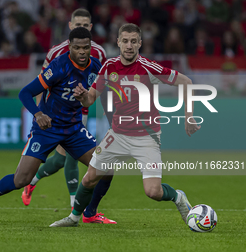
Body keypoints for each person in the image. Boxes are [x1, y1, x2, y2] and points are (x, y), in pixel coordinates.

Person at [50, 23, 200, 227]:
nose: (129, 46)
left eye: (133, 41)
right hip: (118, 135)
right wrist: (83, 97)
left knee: (153, 192)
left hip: (147, 136)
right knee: (89, 179)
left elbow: (186, 81)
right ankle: (74, 218)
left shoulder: (148, 67)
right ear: (118, 42)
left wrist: (188, 116)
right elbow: (90, 99)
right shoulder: (109, 66)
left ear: (140, 43)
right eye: (125, 41)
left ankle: (178, 197)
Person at [0, 27, 114, 224]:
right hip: (47, 129)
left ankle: (90, 213)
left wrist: (86, 98)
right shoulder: (59, 66)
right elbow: (25, 93)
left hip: (74, 129)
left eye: (86, 47)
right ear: (70, 47)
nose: (82, 52)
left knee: (106, 168)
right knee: (21, 179)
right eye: (77, 48)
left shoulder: (96, 67)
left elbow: (90, 100)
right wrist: (38, 113)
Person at [21, 8, 116, 224]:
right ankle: (78, 208)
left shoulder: (98, 53)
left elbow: (100, 83)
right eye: (77, 24)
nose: (81, 27)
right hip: (58, 113)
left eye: (85, 24)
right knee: (69, 157)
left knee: (62, 158)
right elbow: (42, 83)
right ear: (70, 26)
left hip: (83, 108)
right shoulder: (56, 52)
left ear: (90, 28)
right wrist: (39, 113)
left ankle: (33, 181)